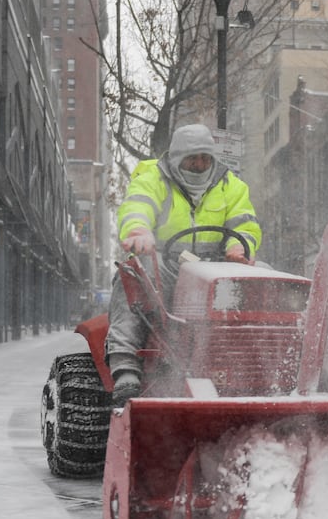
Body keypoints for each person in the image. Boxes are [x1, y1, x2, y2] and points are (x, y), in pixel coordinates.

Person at [105, 123, 262, 405]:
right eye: (192, 158)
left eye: (205, 158)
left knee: (264, 277)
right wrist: (139, 230)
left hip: (217, 267)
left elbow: (245, 222)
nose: (199, 164)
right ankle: (125, 366)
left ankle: (266, 367)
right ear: (177, 159)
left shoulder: (231, 186)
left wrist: (240, 246)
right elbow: (138, 205)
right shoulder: (153, 178)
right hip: (166, 265)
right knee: (131, 273)